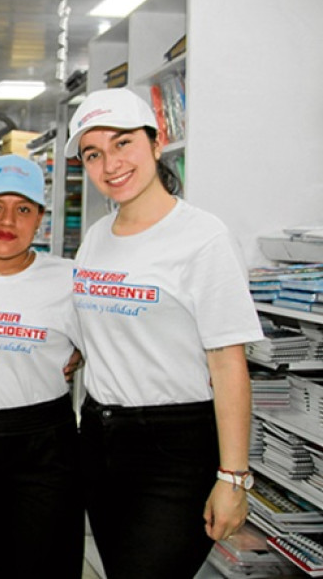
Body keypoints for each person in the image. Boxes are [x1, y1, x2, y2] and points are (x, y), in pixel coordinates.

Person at [67, 88, 262, 579]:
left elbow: (228, 364)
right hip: (100, 437)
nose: (110, 163)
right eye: (94, 153)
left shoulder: (202, 237)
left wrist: (233, 478)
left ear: (156, 143)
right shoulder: (96, 236)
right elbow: (100, 322)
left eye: (123, 143)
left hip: (174, 449)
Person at [0, 154, 84, 578]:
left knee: (43, 565)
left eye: (23, 209)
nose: (7, 220)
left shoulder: (69, 279)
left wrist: (80, 353)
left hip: (45, 447)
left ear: (40, 218)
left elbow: (114, 342)